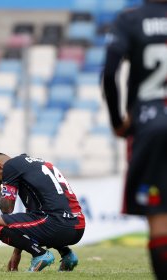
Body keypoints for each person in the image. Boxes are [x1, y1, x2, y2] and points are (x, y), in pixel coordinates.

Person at [102, 1, 167, 279]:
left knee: (160, 217)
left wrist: (118, 122)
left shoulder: (130, 20)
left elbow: (108, 73)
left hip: (151, 125)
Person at [0, 153, 85, 272]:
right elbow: (31, 217)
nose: (2, 183)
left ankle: (40, 255)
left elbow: (7, 209)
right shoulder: (34, 164)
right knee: (38, 220)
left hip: (58, 224)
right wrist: (16, 253)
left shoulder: (10, 166)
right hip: (78, 226)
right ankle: (67, 254)